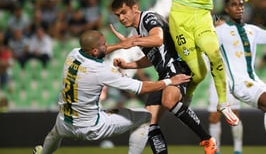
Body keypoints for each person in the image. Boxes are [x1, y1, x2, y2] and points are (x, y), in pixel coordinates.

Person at [32, 29, 191, 154]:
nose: (106, 45)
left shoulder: (73, 54)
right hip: (91, 126)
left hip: (65, 121)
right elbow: (141, 88)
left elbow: (99, 51)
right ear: (94, 51)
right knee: (145, 117)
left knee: (55, 134)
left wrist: (121, 46)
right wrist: (170, 81)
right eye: (104, 44)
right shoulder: (101, 71)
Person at [109, 0, 218, 154]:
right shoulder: (136, 33)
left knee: (168, 101)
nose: (121, 18)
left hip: (177, 67)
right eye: (118, 15)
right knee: (149, 122)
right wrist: (128, 64)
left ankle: (207, 140)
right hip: (164, 75)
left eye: (124, 12)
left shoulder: (148, 18)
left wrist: (131, 43)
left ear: (135, 8)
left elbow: (158, 39)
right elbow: (152, 57)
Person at [213, 0, 266, 154]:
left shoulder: (252, 30)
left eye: (241, 5)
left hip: (253, 79)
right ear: (227, 9)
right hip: (239, 83)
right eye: (234, 5)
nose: (239, 7)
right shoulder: (220, 31)